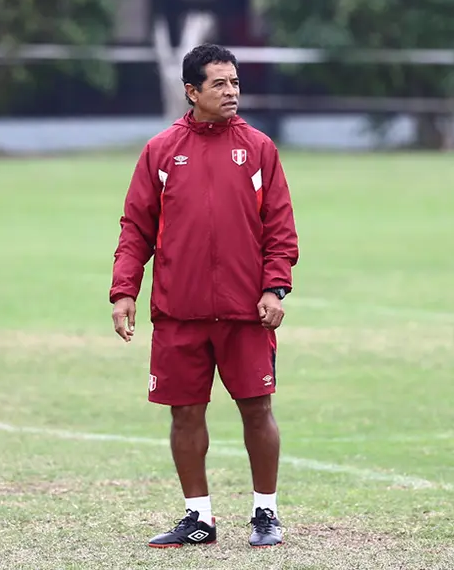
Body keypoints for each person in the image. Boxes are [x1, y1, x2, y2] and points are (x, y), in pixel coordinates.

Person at [108, 43, 299, 549]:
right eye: (219, 83)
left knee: (257, 409)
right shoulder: (161, 151)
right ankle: (199, 518)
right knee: (185, 413)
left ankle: (266, 513)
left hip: (246, 313)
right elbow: (136, 228)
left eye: (235, 82)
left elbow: (280, 229)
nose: (231, 91)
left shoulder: (259, 148)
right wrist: (124, 291)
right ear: (191, 91)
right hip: (178, 312)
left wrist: (275, 287)